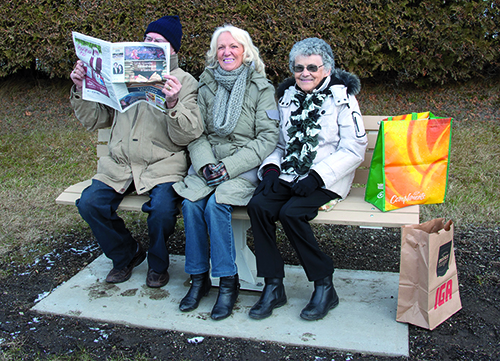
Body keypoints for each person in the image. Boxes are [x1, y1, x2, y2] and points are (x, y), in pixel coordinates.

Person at [69, 16, 203, 288]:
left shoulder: (186, 82)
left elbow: (189, 134)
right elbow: (96, 120)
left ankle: (158, 264)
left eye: (158, 41)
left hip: (162, 166)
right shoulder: (122, 74)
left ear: (173, 49)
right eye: (147, 39)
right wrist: (83, 89)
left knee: (163, 211)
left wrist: (173, 103)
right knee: (89, 203)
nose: (149, 43)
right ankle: (126, 255)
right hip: (120, 164)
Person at [247, 37, 368, 321]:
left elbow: (354, 148)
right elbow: (278, 145)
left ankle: (325, 284)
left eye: (312, 67)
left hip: (326, 178)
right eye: (298, 67)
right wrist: (271, 170)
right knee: (259, 206)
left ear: (326, 69)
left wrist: (317, 176)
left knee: (291, 213)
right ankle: (273, 285)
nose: (305, 73)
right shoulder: (287, 98)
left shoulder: (342, 99)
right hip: (290, 174)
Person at [173, 25, 279, 320]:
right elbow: (197, 133)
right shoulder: (205, 85)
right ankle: (198, 278)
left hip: (242, 166)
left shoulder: (261, 88)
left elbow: (267, 138)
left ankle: (227, 282)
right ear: (214, 53)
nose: (227, 52)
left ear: (245, 51)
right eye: (221, 47)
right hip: (208, 164)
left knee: (216, 205)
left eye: (233, 46)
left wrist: (229, 167)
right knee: (192, 204)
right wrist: (206, 164)